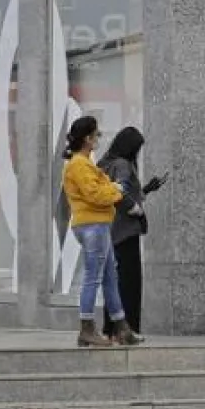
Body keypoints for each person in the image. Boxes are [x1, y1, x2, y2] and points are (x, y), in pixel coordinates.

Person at [61, 116, 140, 348]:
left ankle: (122, 327)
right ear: (87, 138)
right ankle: (87, 329)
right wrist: (115, 193)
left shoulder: (84, 163)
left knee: (109, 278)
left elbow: (102, 185)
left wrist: (110, 188)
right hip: (92, 225)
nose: (99, 139)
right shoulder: (79, 165)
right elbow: (97, 194)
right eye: (97, 135)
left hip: (97, 224)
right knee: (94, 278)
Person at [100, 127, 168, 342]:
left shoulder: (105, 162)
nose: (137, 152)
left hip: (109, 229)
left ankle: (111, 329)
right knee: (129, 283)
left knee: (113, 281)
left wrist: (146, 189)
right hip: (125, 230)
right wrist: (135, 209)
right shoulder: (122, 165)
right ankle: (127, 329)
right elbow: (120, 193)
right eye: (137, 148)